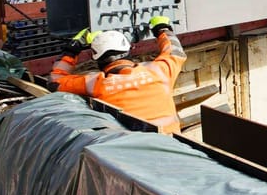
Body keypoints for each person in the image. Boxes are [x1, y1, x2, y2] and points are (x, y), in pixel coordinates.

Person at [51, 16, 187, 134]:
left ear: (97, 60)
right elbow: (175, 52)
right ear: (129, 50)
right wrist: (162, 29)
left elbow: (55, 81)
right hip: (172, 146)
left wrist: (72, 49)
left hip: (126, 154)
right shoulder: (159, 71)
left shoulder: (97, 83)